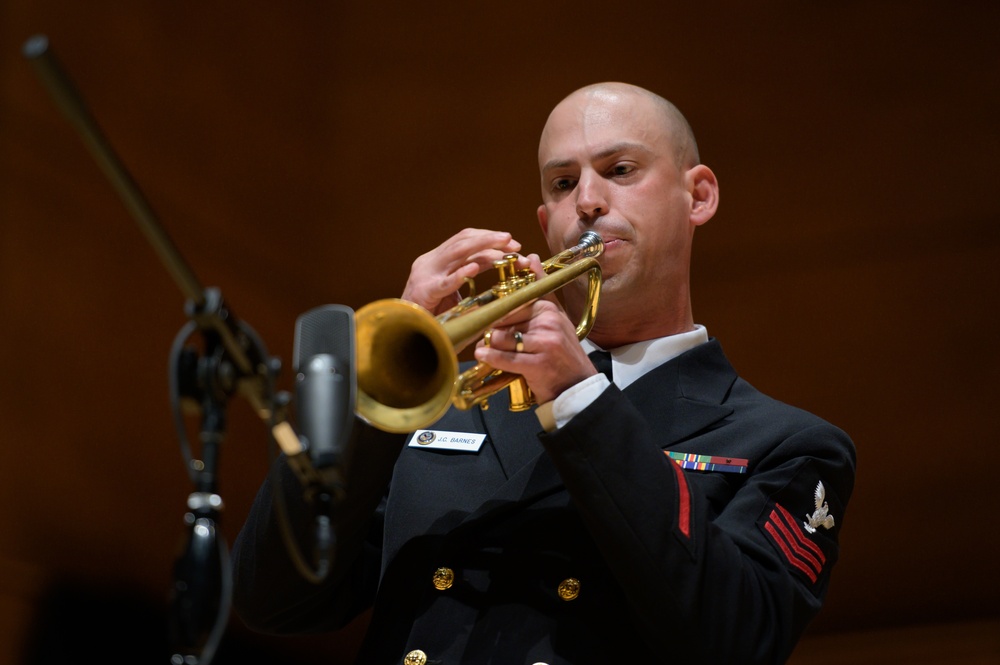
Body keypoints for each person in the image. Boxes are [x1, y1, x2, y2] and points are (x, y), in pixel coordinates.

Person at [231, 82, 856, 665]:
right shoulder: (439, 402)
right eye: (562, 183)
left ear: (698, 196)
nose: (586, 201)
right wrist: (380, 393)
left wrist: (582, 401)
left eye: (620, 170)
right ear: (544, 223)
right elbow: (275, 600)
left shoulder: (787, 445)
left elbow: (738, 639)